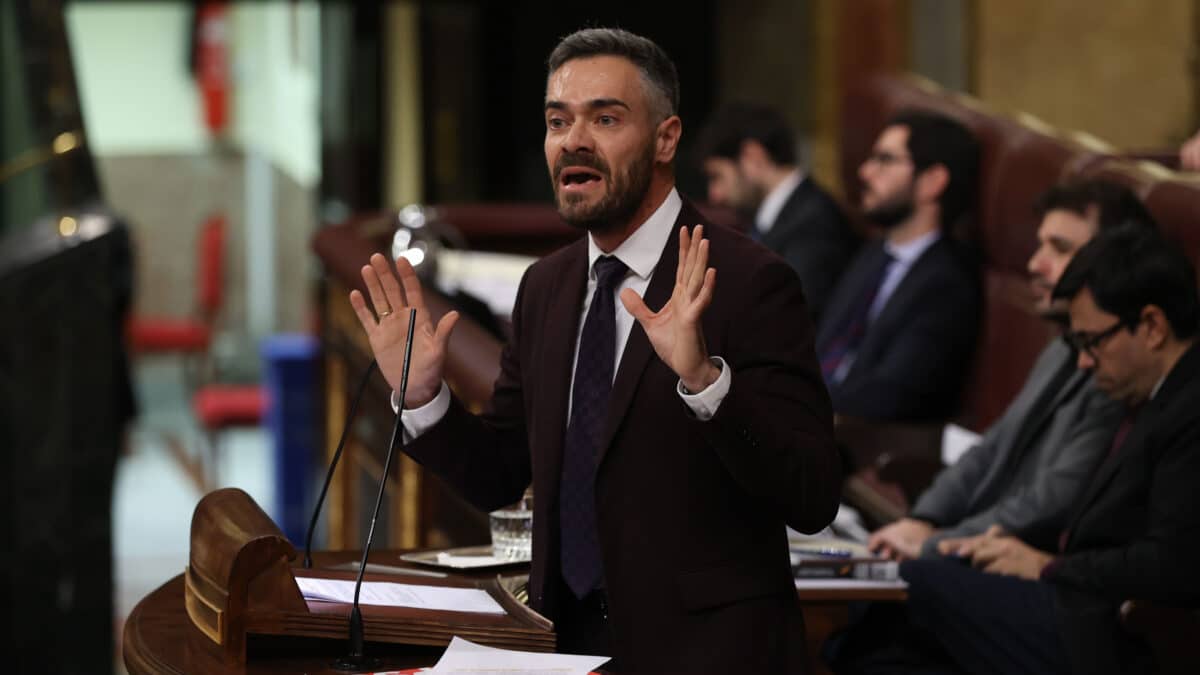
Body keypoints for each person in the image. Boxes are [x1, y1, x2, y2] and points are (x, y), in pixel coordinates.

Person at [348, 28, 840, 673]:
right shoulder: (546, 287)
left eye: (605, 118)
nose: (573, 140)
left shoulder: (749, 280)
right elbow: (500, 470)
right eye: (558, 121)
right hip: (563, 646)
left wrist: (703, 381)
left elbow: (810, 498)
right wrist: (422, 399)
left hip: (705, 654)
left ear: (667, 138)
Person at [873, 226, 1200, 675]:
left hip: (1111, 632)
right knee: (890, 643)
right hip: (1080, 603)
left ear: (1152, 326)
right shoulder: (1153, 397)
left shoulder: (1189, 408)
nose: (1084, 362)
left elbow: (1171, 564)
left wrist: (1048, 567)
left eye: (1092, 343)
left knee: (911, 586)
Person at [868, 180, 1155, 561]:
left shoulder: (1119, 371)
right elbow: (991, 448)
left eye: (1061, 249)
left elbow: (1055, 499)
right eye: (1041, 244)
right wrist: (922, 519)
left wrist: (934, 545)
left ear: (1110, 262)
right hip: (970, 541)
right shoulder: (1059, 348)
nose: (1036, 263)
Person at [815, 110, 981, 422]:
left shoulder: (946, 284)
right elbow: (824, 346)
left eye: (885, 160)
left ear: (932, 182)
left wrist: (800, 407)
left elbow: (892, 394)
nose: (865, 172)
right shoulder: (875, 252)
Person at [695, 103, 859, 322]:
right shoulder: (774, 220)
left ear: (753, 157)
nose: (715, 195)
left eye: (718, 176)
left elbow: (790, 320)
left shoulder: (814, 225)